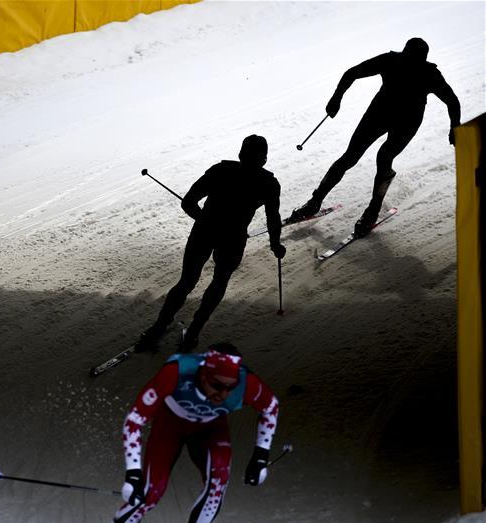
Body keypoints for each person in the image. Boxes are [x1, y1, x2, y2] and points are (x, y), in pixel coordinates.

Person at [74, 344, 280, 523]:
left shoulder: (247, 383)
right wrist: (133, 473)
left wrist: (260, 456)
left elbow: (271, 407)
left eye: (230, 387)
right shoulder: (176, 371)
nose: (224, 394)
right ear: (203, 373)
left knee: (218, 484)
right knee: (149, 495)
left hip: (211, 429)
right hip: (170, 425)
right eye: (217, 385)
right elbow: (135, 420)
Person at [287, 37, 461, 237]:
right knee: (357, 156)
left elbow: (351, 73)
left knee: (373, 156)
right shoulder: (425, 71)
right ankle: (320, 202)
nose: (409, 63)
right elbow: (452, 101)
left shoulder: (400, 63)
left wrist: (336, 98)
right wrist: (454, 127)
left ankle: (363, 208)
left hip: (398, 118)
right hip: (391, 115)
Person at [135, 135, 285, 353]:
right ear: (264, 159)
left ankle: (157, 328)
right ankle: (193, 333)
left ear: (240, 154)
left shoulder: (220, 171)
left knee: (186, 281)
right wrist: (275, 244)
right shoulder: (269, 184)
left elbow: (188, 202)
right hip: (233, 238)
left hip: (204, 232)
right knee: (219, 282)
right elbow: (273, 218)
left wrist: (205, 220)